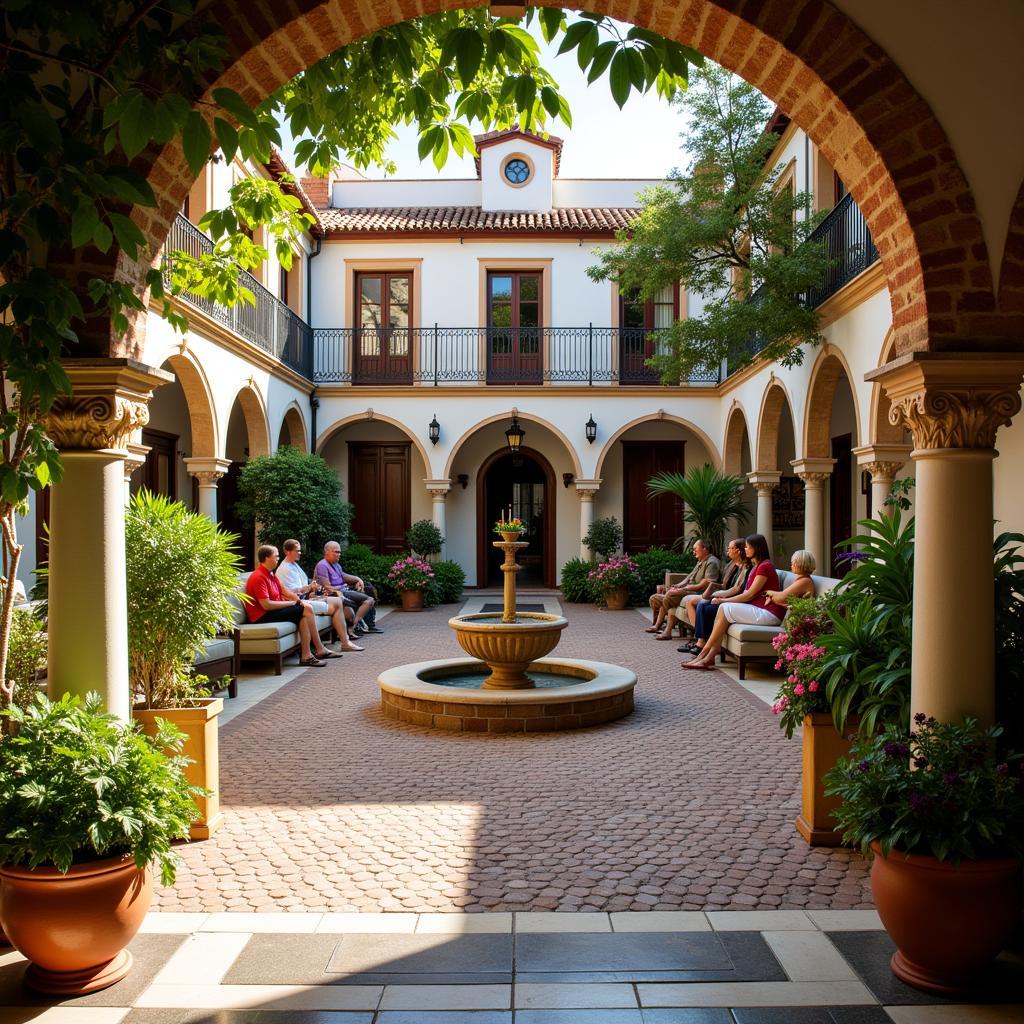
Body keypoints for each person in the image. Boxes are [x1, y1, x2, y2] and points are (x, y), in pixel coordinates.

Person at [681, 537, 815, 671]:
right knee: (722, 608)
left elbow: (756, 595)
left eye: (747, 547)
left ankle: (706, 654)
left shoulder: (766, 566)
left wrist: (770, 593)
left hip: (769, 613)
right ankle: (708, 655)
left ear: (756, 548)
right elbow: (776, 596)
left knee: (723, 607)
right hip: (761, 608)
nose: (745, 550)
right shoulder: (758, 567)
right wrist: (772, 595)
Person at [245, 544, 342, 668]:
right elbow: (266, 605)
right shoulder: (258, 576)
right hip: (261, 615)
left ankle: (307, 656)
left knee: (304, 613)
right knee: (307, 609)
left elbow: (285, 591)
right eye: (276, 556)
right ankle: (320, 649)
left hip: (272, 611)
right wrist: (293, 603)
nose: (278, 559)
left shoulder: (270, 574)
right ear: (266, 558)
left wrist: (298, 600)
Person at [277, 539, 364, 652]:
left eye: (300, 551)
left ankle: (345, 641)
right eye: (297, 551)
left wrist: (314, 588)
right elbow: (293, 591)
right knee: (337, 602)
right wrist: (310, 588)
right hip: (299, 601)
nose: (300, 553)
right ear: (287, 552)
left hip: (307, 596)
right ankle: (345, 642)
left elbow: (303, 585)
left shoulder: (294, 565)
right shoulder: (285, 569)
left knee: (338, 601)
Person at [678, 538, 752, 655]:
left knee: (703, 605)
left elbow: (737, 589)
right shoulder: (732, 565)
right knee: (702, 605)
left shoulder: (746, 567)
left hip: (734, 600)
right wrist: (715, 593)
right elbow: (725, 585)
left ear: (738, 551)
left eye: (730, 548)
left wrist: (719, 596)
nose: (727, 551)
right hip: (726, 596)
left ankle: (701, 643)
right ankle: (700, 641)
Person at [648, 539, 722, 640]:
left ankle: (661, 628)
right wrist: (677, 586)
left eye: (695, 549)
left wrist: (685, 588)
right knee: (655, 598)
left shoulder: (712, 562)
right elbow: (688, 578)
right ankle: (661, 627)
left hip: (699, 592)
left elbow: (706, 583)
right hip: (690, 590)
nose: (693, 552)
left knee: (669, 596)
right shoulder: (700, 561)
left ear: (705, 548)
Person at [314, 541, 382, 636]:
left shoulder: (336, 565)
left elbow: (343, 576)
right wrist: (345, 586)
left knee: (368, 588)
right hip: (336, 593)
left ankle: (366, 625)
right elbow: (327, 587)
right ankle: (354, 626)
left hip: (344, 590)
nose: (339, 554)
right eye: (336, 552)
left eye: (340, 552)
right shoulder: (322, 565)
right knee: (369, 599)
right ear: (327, 552)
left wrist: (358, 579)